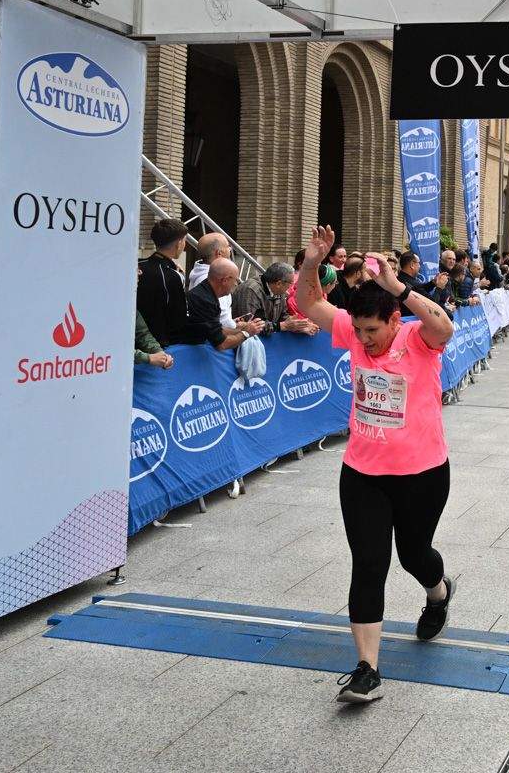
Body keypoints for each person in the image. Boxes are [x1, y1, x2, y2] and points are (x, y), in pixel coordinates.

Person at [294, 225, 456, 705]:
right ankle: (367, 668)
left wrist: (397, 286)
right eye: (357, 332)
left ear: (393, 320)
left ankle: (439, 590)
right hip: (363, 473)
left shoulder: (416, 338)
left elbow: (444, 325)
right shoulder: (353, 330)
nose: (363, 341)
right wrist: (311, 263)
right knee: (368, 564)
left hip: (423, 473)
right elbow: (310, 305)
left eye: (372, 331)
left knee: (413, 555)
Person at [180, 259, 266, 351]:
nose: (236, 284)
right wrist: (246, 333)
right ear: (225, 280)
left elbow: (217, 330)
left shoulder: (207, 293)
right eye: (235, 280)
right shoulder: (205, 300)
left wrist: (243, 328)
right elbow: (221, 344)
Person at [137, 217, 190, 346]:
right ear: (179, 243)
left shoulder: (137, 266)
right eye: (184, 241)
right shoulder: (171, 277)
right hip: (161, 345)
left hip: (134, 338)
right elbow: (179, 320)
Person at [232, 261, 300, 333]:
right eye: (291, 283)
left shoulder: (279, 291)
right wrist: (281, 326)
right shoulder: (251, 289)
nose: (291, 286)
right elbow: (248, 324)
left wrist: (298, 325)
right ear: (278, 284)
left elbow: (283, 317)